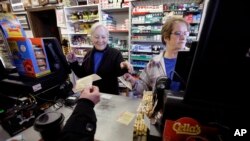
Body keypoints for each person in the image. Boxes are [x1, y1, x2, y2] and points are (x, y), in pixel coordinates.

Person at [124, 17, 190, 96]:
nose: (183, 37)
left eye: (185, 33)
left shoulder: (194, 59)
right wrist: (133, 81)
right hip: (160, 107)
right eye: (178, 33)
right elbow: (144, 89)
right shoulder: (154, 63)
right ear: (166, 37)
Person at [67, 22, 133, 95]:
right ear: (91, 37)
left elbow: (118, 71)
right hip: (91, 94)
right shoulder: (88, 54)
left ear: (108, 38)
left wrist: (123, 66)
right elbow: (82, 74)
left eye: (103, 37)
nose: (100, 40)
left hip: (109, 95)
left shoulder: (115, 53)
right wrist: (73, 62)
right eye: (96, 37)